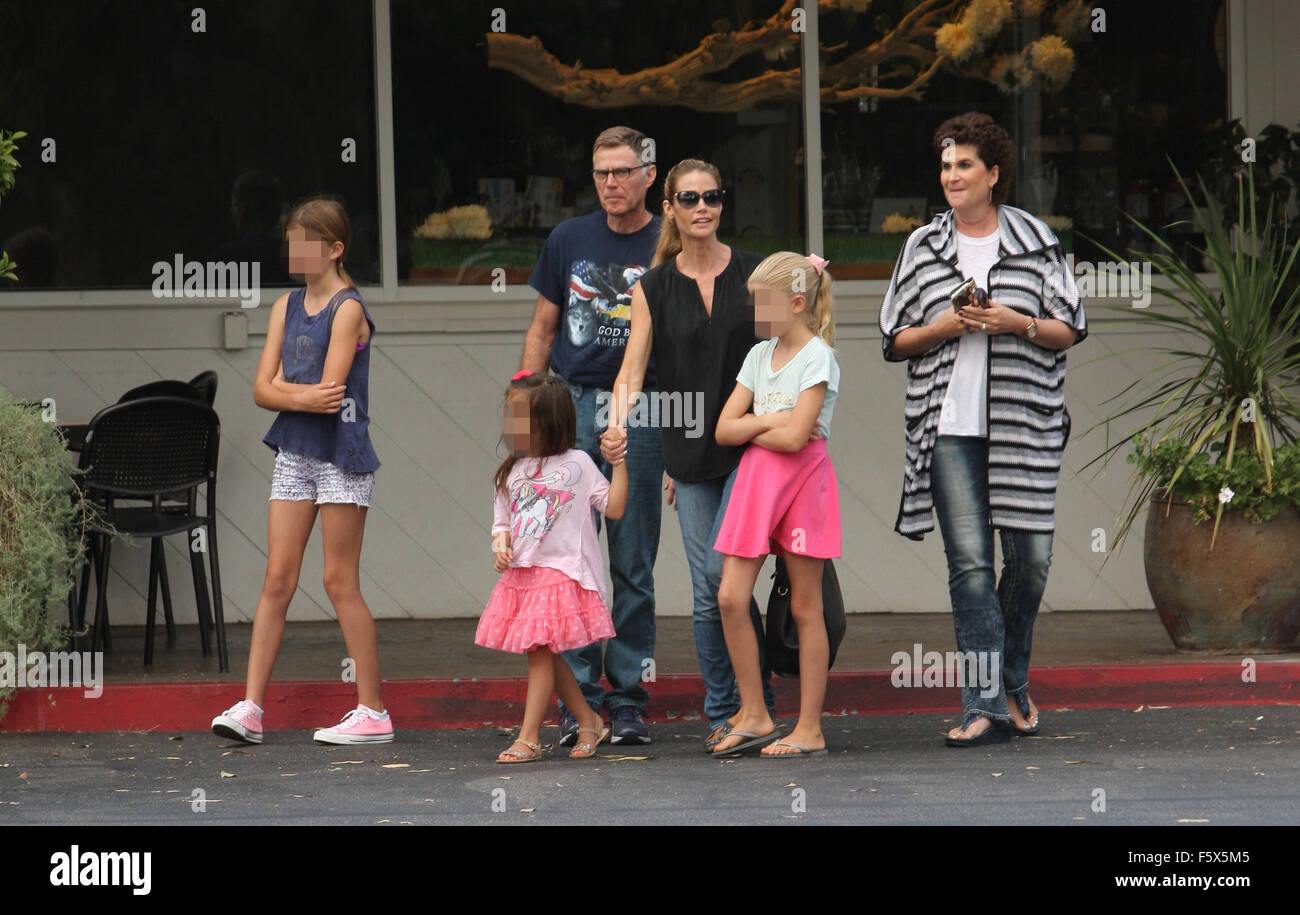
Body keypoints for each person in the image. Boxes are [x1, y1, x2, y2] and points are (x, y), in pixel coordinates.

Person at [878, 112, 1086, 747]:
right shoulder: (922, 247)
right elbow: (895, 339)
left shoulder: (1036, 239)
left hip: (1024, 422)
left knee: (1033, 561)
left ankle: (1012, 681)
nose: (952, 176)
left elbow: (1069, 327)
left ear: (993, 173)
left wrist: (1013, 322)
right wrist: (945, 326)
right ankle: (982, 704)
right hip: (948, 428)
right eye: (945, 166)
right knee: (970, 565)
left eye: (964, 164)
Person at [601, 158, 775, 753]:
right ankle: (727, 708)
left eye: (713, 196)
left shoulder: (755, 273)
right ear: (670, 206)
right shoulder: (651, 288)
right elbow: (631, 370)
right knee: (710, 584)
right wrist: (616, 425)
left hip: (754, 447)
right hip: (690, 454)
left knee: (731, 579)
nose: (703, 207)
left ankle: (757, 704)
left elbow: (789, 351)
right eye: (690, 198)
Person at [211, 197, 390, 746]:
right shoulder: (284, 306)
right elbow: (261, 390)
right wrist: (295, 394)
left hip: (341, 455)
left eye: (305, 242)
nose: (294, 251)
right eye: (291, 240)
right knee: (277, 578)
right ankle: (251, 708)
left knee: (338, 580)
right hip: (294, 453)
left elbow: (331, 396)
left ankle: (373, 711)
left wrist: (288, 391)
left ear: (334, 249)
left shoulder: (349, 308)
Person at [519, 126, 663, 745]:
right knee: (566, 561)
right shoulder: (568, 238)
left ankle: (627, 699)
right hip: (572, 407)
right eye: (602, 173)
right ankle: (580, 702)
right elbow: (543, 328)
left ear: (649, 175)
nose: (611, 183)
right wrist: (526, 407)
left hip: (645, 408)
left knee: (632, 561)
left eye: (624, 171)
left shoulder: (669, 241)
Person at [711, 252, 840, 757]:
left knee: (807, 607)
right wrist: (773, 421)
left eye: (764, 304)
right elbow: (725, 429)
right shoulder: (757, 356)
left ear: (797, 303)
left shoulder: (818, 357)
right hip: (757, 481)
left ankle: (809, 728)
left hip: (803, 480)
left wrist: (761, 425)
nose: (756, 313)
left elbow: (797, 440)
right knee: (729, 597)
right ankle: (757, 714)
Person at [479, 371, 629, 762]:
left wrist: (619, 464)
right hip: (525, 576)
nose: (509, 426)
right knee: (545, 653)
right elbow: (501, 522)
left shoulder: (578, 464)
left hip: (563, 573)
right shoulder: (511, 471)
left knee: (541, 651)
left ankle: (528, 737)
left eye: (519, 417)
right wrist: (501, 546)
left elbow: (613, 507)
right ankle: (588, 720)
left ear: (549, 422)